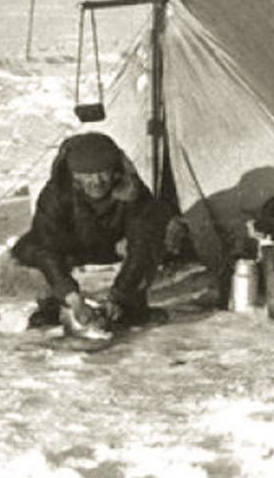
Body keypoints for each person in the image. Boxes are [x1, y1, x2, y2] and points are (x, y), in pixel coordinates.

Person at [12, 132, 174, 332]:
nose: (97, 181)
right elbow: (47, 248)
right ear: (74, 175)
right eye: (87, 174)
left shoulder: (133, 193)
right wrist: (73, 298)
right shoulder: (56, 194)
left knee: (154, 239)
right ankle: (49, 308)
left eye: (103, 172)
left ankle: (132, 308)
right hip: (73, 246)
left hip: (114, 245)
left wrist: (119, 295)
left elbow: (141, 244)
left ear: (114, 171)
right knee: (33, 248)